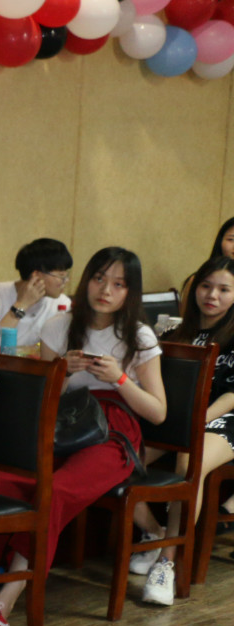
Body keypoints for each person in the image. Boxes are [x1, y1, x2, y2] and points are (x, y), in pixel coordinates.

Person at [0, 247, 166, 626]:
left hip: (114, 433)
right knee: (5, 482)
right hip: (62, 424)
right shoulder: (59, 326)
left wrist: (119, 379)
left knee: (55, 491)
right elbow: (46, 398)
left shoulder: (139, 336)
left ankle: (3, 604)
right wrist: (63, 373)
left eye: (118, 284)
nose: (106, 290)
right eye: (99, 279)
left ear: (130, 292)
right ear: (86, 280)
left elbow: (158, 412)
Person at [130, 256, 234, 602]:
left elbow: (233, 394)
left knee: (190, 461)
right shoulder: (173, 333)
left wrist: (196, 420)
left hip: (224, 417)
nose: (212, 295)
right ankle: (155, 532)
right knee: (122, 460)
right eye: (206, 286)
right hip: (176, 419)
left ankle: (166, 563)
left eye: (224, 289)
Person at [0, 238, 73, 352]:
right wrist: (21, 305)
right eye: (61, 276)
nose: (66, 281)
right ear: (37, 275)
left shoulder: (62, 303)